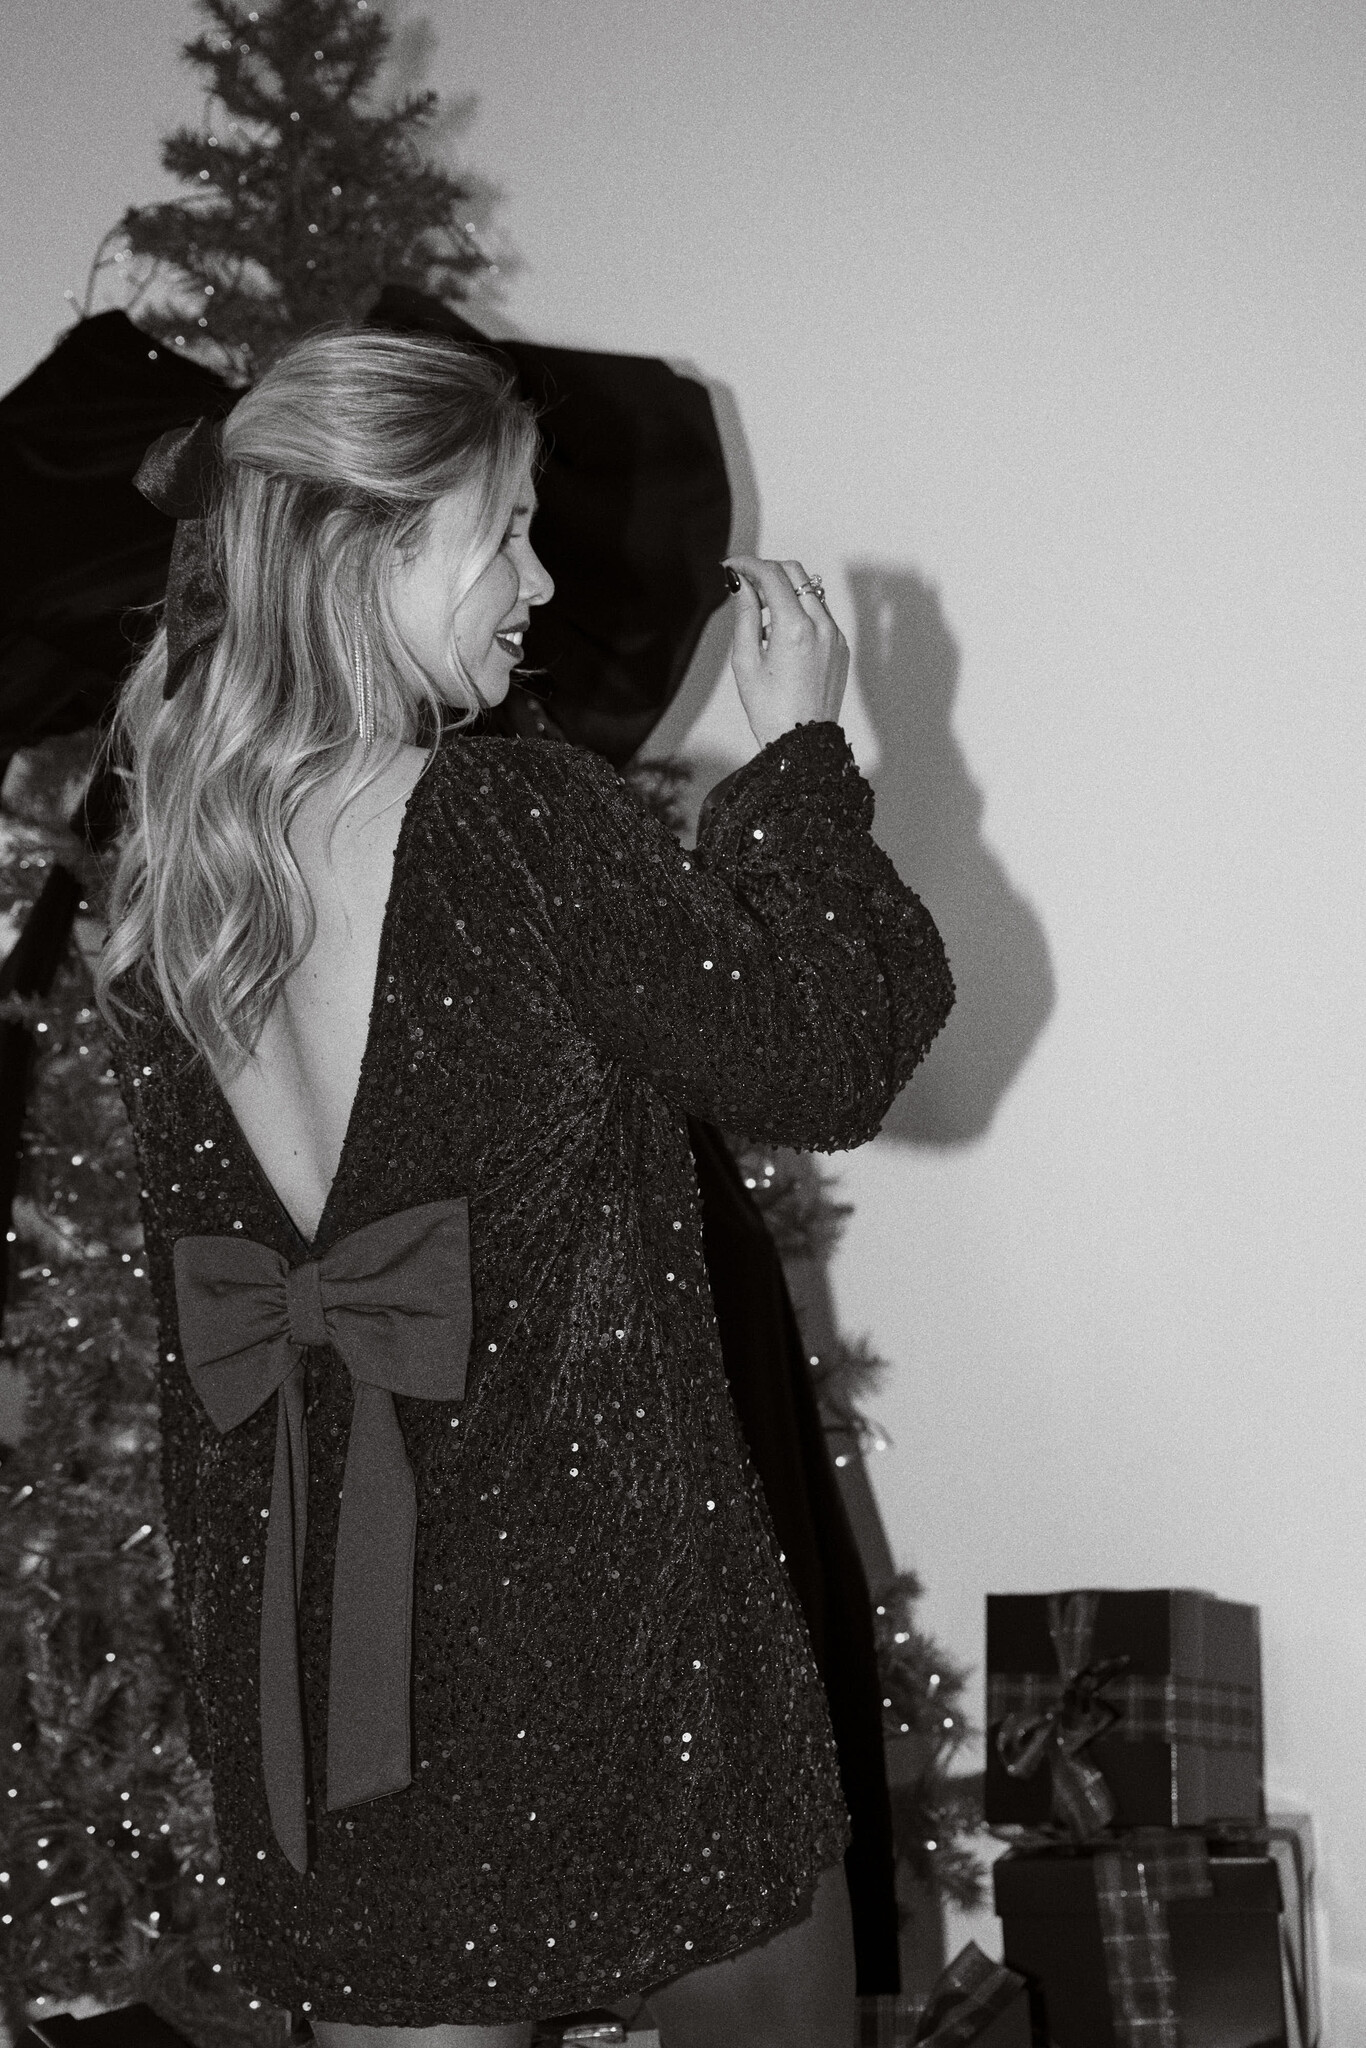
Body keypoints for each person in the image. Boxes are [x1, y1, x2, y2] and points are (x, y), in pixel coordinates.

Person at [94, 328, 954, 2048]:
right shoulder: (503, 829)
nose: (541, 582)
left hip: (338, 1694)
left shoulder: (174, 892)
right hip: (612, 1657)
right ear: (372, 553)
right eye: (505, 532)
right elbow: (828, 1055)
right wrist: (799, 753)